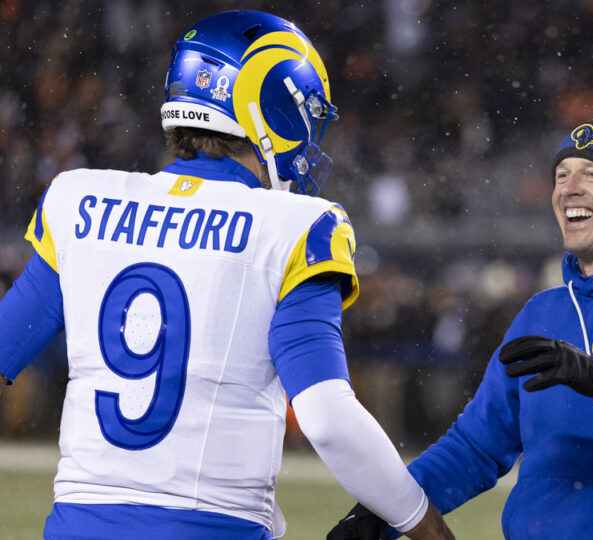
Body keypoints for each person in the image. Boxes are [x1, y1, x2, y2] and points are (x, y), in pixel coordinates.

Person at [0, 10, 452, 540]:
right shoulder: (295, 227)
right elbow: (328, 419)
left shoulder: (80, 200)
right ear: (270, 112)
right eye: (303, 114)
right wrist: (427, 527)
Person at [329, 114, 593, 539]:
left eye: (592, 174)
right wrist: (381, 513)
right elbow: (475, 448)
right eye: (561, 174)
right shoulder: (542, 312)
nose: (568, 188)